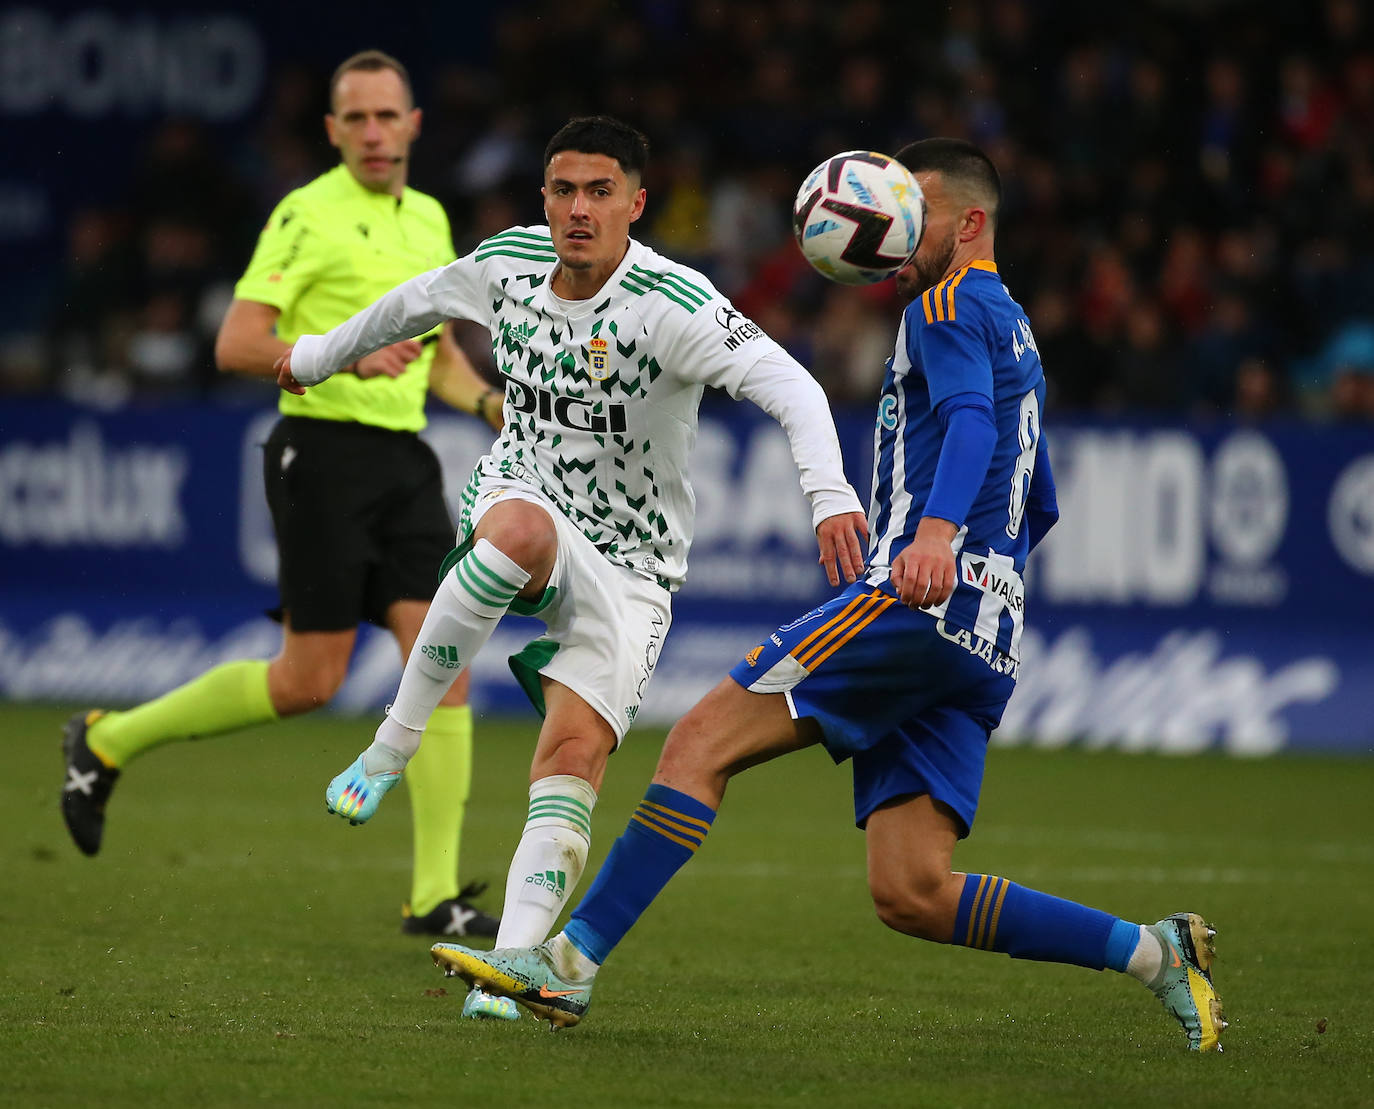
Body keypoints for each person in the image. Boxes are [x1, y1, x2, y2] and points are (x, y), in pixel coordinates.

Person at [430, 139, 1229, 1052]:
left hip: (918, 596)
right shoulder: (1015, 324)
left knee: (697, 743)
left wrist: (933, 540)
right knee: (913, 890)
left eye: (912, 213)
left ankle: (565, 965)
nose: (896, 233)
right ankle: (1155, 953)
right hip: (986, 627)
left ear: (968, 225)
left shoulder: (947, 300)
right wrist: (986, 575)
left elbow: (969, 421)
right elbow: (1038, 491)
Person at [274, 115, 868, 1022]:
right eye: (563, 190)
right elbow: (413, 304)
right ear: (542, 197)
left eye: (599, 192)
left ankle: (510, 972)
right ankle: (393, 744)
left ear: (637, 202)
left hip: (635, 561)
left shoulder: (672, 303)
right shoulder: (507, 263)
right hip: (528, 489)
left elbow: (792, 384)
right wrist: (314, 358)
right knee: (511, 537)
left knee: (573, 755)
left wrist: (828, 493)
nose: (578, 210)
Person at [59, 50, 505, 939]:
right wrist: (336, 351)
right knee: (309, 680)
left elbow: (440, 355)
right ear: (333, 130)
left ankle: (433, 896)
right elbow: (235, 341)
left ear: (415, 125)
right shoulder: (305, 215)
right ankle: (107, 739)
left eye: (389, 116)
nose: (375, 133)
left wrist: (491, 403)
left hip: (405, 460)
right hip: (322, 455)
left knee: (441, 657)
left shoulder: (429, 217)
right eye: (357, 119)